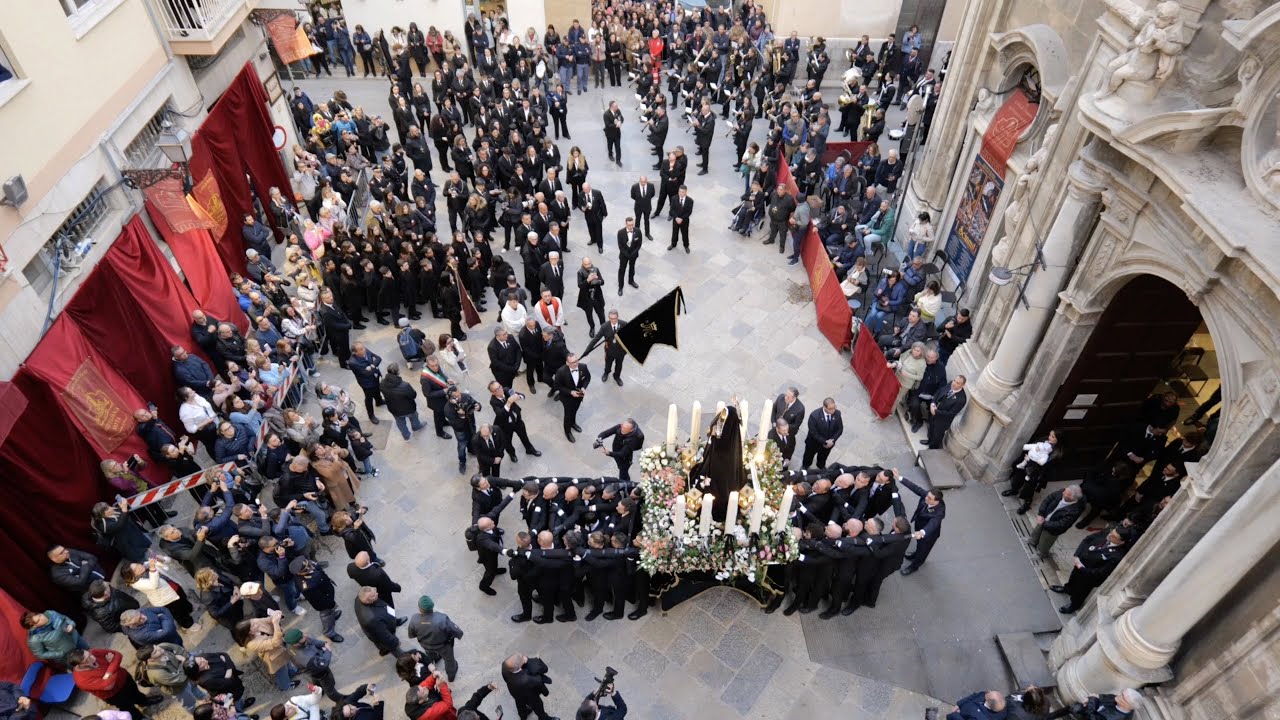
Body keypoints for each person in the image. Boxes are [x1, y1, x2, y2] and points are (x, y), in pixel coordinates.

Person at [1051, 526, 1132, 614]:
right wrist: (1077, 555)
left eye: (1114, 536)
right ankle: (1068, 589)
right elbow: (1087, 540)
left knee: (1081, 592)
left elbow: (1101, 572)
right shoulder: (1106, 533)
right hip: (1080, 563)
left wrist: (1081, 568)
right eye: (1111, 532)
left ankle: (1074, 605)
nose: (1109, 535)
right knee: (1073, 579)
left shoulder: (1117, 556)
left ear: (1121, 542)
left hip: (1090, 576)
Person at [69, 648, 164, 718]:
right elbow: (108, 686)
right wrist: (112, 664)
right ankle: (139, 717)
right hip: (114, 695)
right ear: (79, 666)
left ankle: (144, 701)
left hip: (124, 678)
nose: (93, 657)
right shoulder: (81, 680)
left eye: (89, 654)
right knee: (127, 707)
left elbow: (118, 655)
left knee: (135, 692)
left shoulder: (93, 652)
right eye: (87, 660)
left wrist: (108, 673)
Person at [407, 596, 464, 682]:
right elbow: (457, 632)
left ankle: (435, 658)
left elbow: (411, 635)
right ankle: (451, 675)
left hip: (426, 645)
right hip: (443, 646)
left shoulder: (414, 619)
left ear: (420, 608)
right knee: (449, 660)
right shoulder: (442, 619)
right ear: (432, 607)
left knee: (430, 653)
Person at [897, 475, 944, 576]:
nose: (926, 498)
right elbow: (916, 488)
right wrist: (900, 477)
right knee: (919, 545)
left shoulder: (939, 513)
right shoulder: (928, 496)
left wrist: (922, 532)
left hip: (928, 534)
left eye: (929, 498)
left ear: (936, 501)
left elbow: (933, 524)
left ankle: (914, 566)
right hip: (920, 525)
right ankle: (915, 554)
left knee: (923, 551)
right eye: (927, 495)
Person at [488, 381, 541, 461]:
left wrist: (519, 396)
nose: (500, 389)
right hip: (505, 425)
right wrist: (508, 403)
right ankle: (512, 454)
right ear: (493, 393)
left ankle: (530, 449)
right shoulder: (493, 401)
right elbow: (500, 414)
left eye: (500, 387)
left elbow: (521, 395)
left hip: (517, 420)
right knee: (507, 442)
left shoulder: (506, 390)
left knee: (524, 436)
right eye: (497, 389)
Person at [283, 629, 341, 701]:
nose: (305, 635)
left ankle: (320, 693)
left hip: (310, 669)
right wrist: (328, 650)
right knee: (329, 687)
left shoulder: (291, 643)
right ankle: (339, 699)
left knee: (316, 680)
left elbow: (311, 640)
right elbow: (324, 663)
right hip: (318, 669)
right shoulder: (305, 657)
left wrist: (323, 643)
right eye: (302, 637)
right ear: (295, 644)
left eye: (302, 634)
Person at [1028, 485, 1084, 558]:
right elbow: (1048, 499)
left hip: (1053, 529)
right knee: (1036, 531)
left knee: (1045, 541)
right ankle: (1032, 541)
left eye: (1066, 493)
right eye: (1065, 490)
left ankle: (1042, 553)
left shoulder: (1074, 511)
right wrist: (1041, 514)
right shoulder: (1062, 492)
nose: (1063, 492)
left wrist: (1044, 523)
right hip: (1044, 519)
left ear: (1071, 498)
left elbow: (1062, 524)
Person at [22, 609, 87, 666]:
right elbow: (40, 654)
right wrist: (60, 654)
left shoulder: (51, 613)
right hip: (68, 655)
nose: (43, 617)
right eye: (38, 620)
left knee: (89, 653)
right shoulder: (35, 638)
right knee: (83, 666)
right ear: (34, 626)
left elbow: (64, 618)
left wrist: (71, 624)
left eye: (40, 615)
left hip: (76, 639)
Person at [380, 363, 426, 441]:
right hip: (408, 409)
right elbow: (413, 395)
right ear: (398, 372)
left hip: (393, 409)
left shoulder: (382, 383)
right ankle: (416, 427)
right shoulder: (405, 386)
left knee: (400, 423)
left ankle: (406, 436)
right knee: (414, 417)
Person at [501, 654, 554, 720]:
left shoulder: (504, 666)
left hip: (516, 694)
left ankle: (523, 716)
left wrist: (521, 661)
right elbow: (545, 692)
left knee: (520, 705)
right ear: (519, 666)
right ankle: (544, 718)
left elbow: (505, 679)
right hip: (531, 698)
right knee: (538, 707)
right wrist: (529, 661)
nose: (524, 656)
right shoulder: (532, 679)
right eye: (521, 658)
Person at [354, 586, 401, 656]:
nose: (377, 594)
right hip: (382, 631)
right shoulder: (372, 620)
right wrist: (396, 643)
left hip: (381, 625)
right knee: (389, 646)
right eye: (373, 595)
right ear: (368, 600)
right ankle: (386, 651)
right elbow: (385, 636)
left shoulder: (359, 597)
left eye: (375, 591)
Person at [554, 353, 591, 442]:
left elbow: (588, 378)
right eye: (572, 362)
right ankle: (567, 432)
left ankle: (573, 423)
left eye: (576, 361)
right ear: (567, 363)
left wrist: (584, 387)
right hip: (567, 398)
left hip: (579, 396)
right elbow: (557, 386)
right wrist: (570, 392)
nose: (575, 364)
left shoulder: (583, 367)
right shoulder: (561, 372)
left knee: (575, 410)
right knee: (568, 415)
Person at [925, 376, 968, 449]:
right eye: (954, 380)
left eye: (957, 383)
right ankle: (929, 441)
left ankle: (932, 449)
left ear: (962, 385)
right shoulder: (950, 384)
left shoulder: (961, 399)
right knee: (931, 428)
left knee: (937, 436)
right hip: (934, 411)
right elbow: (939, 392)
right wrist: (932, 403)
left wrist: (936, 411)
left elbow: (951, 413)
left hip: (942, 420)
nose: (954, 383)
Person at [1044, 689, 1143, 720]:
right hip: (1094, 709)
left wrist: (1092, 700)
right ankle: (1049, 717)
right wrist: (1094, 697)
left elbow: (1091, 717)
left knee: (1076, 708)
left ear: (1127, 705)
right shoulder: (1118, 699)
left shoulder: (1114, 718)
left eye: (1122, 696)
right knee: (1074, 707)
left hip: (1092, 715)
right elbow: (1104, 697)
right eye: (1122, 693)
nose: (1119, 695)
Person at [801, 398, 844, 470]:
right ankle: (805, 466)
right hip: (814, 443)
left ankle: (820, 466)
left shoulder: (837, 413)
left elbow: (840, 429)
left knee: (823, 456)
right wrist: (825, 441)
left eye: (834, 407)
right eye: (830, 409)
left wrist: (833, 440)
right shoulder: (814, 416)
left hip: (829, 443)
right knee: (809, 455)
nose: (833, 410)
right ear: (824, 407)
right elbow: (813, 432)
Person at [348, 342, 385, 424]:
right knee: (369, 398)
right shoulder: (353, 362)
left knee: (377, 389)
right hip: (366, 383)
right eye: (361, 349)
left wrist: (372, 366)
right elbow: (365, 374)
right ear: (355, 353)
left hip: (375, 376)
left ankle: (379, 401)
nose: (364, 350)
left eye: (363, 347)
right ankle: (371, 415)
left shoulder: (365, 350)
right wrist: (374, 366)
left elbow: (378, 358)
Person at [616, 217, 642, 295]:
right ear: (625, 224)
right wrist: (627, 255)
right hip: (624, 256)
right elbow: (620, 246)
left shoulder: (638, 231)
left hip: (633, 255)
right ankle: (620, 286)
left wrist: (633, 253)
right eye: (629, 225)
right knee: (622, 270)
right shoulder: (620, 232)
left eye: (632, 225)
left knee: (632, 268)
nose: (631, 227)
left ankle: (631, 281)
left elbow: (639, 244)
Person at [580, 182, 608, 252]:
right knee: (590, 229)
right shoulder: (581, 194)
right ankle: (593, 239)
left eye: (586, 189)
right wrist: (582, 208)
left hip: (597, 215)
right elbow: (579, 204)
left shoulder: (597, 193)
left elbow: (602, 203)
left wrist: (604, 214)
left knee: (598, 231)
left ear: (590, 187)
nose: (585, 191)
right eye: (584, 190)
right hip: (588, 216)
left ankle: (600, 246)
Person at [667, 186, 693, 253]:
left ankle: (686, 246)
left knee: (685, 233)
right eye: (679, 191)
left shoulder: (690, 201)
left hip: (684, 221)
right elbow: (671, 210)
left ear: (686, 192)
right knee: (674, 232)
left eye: (682, 192)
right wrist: (676, 218)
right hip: (676, 220)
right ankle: (673, 244)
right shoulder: (674, 198)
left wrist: (681, 218)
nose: (680, 193)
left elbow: (689, 212)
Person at [602, 100, 623, 165]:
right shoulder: (606, 114)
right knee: (610, 145)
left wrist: (620, 121)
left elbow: (622, 118)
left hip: (617, 133)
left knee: (618, 147)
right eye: (616, 106)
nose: (617, 107)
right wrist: (616, 124)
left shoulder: (618, 110)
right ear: (611, 107)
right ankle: (610, 154)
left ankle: (618, 160)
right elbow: (608, 125)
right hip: (610, 134)